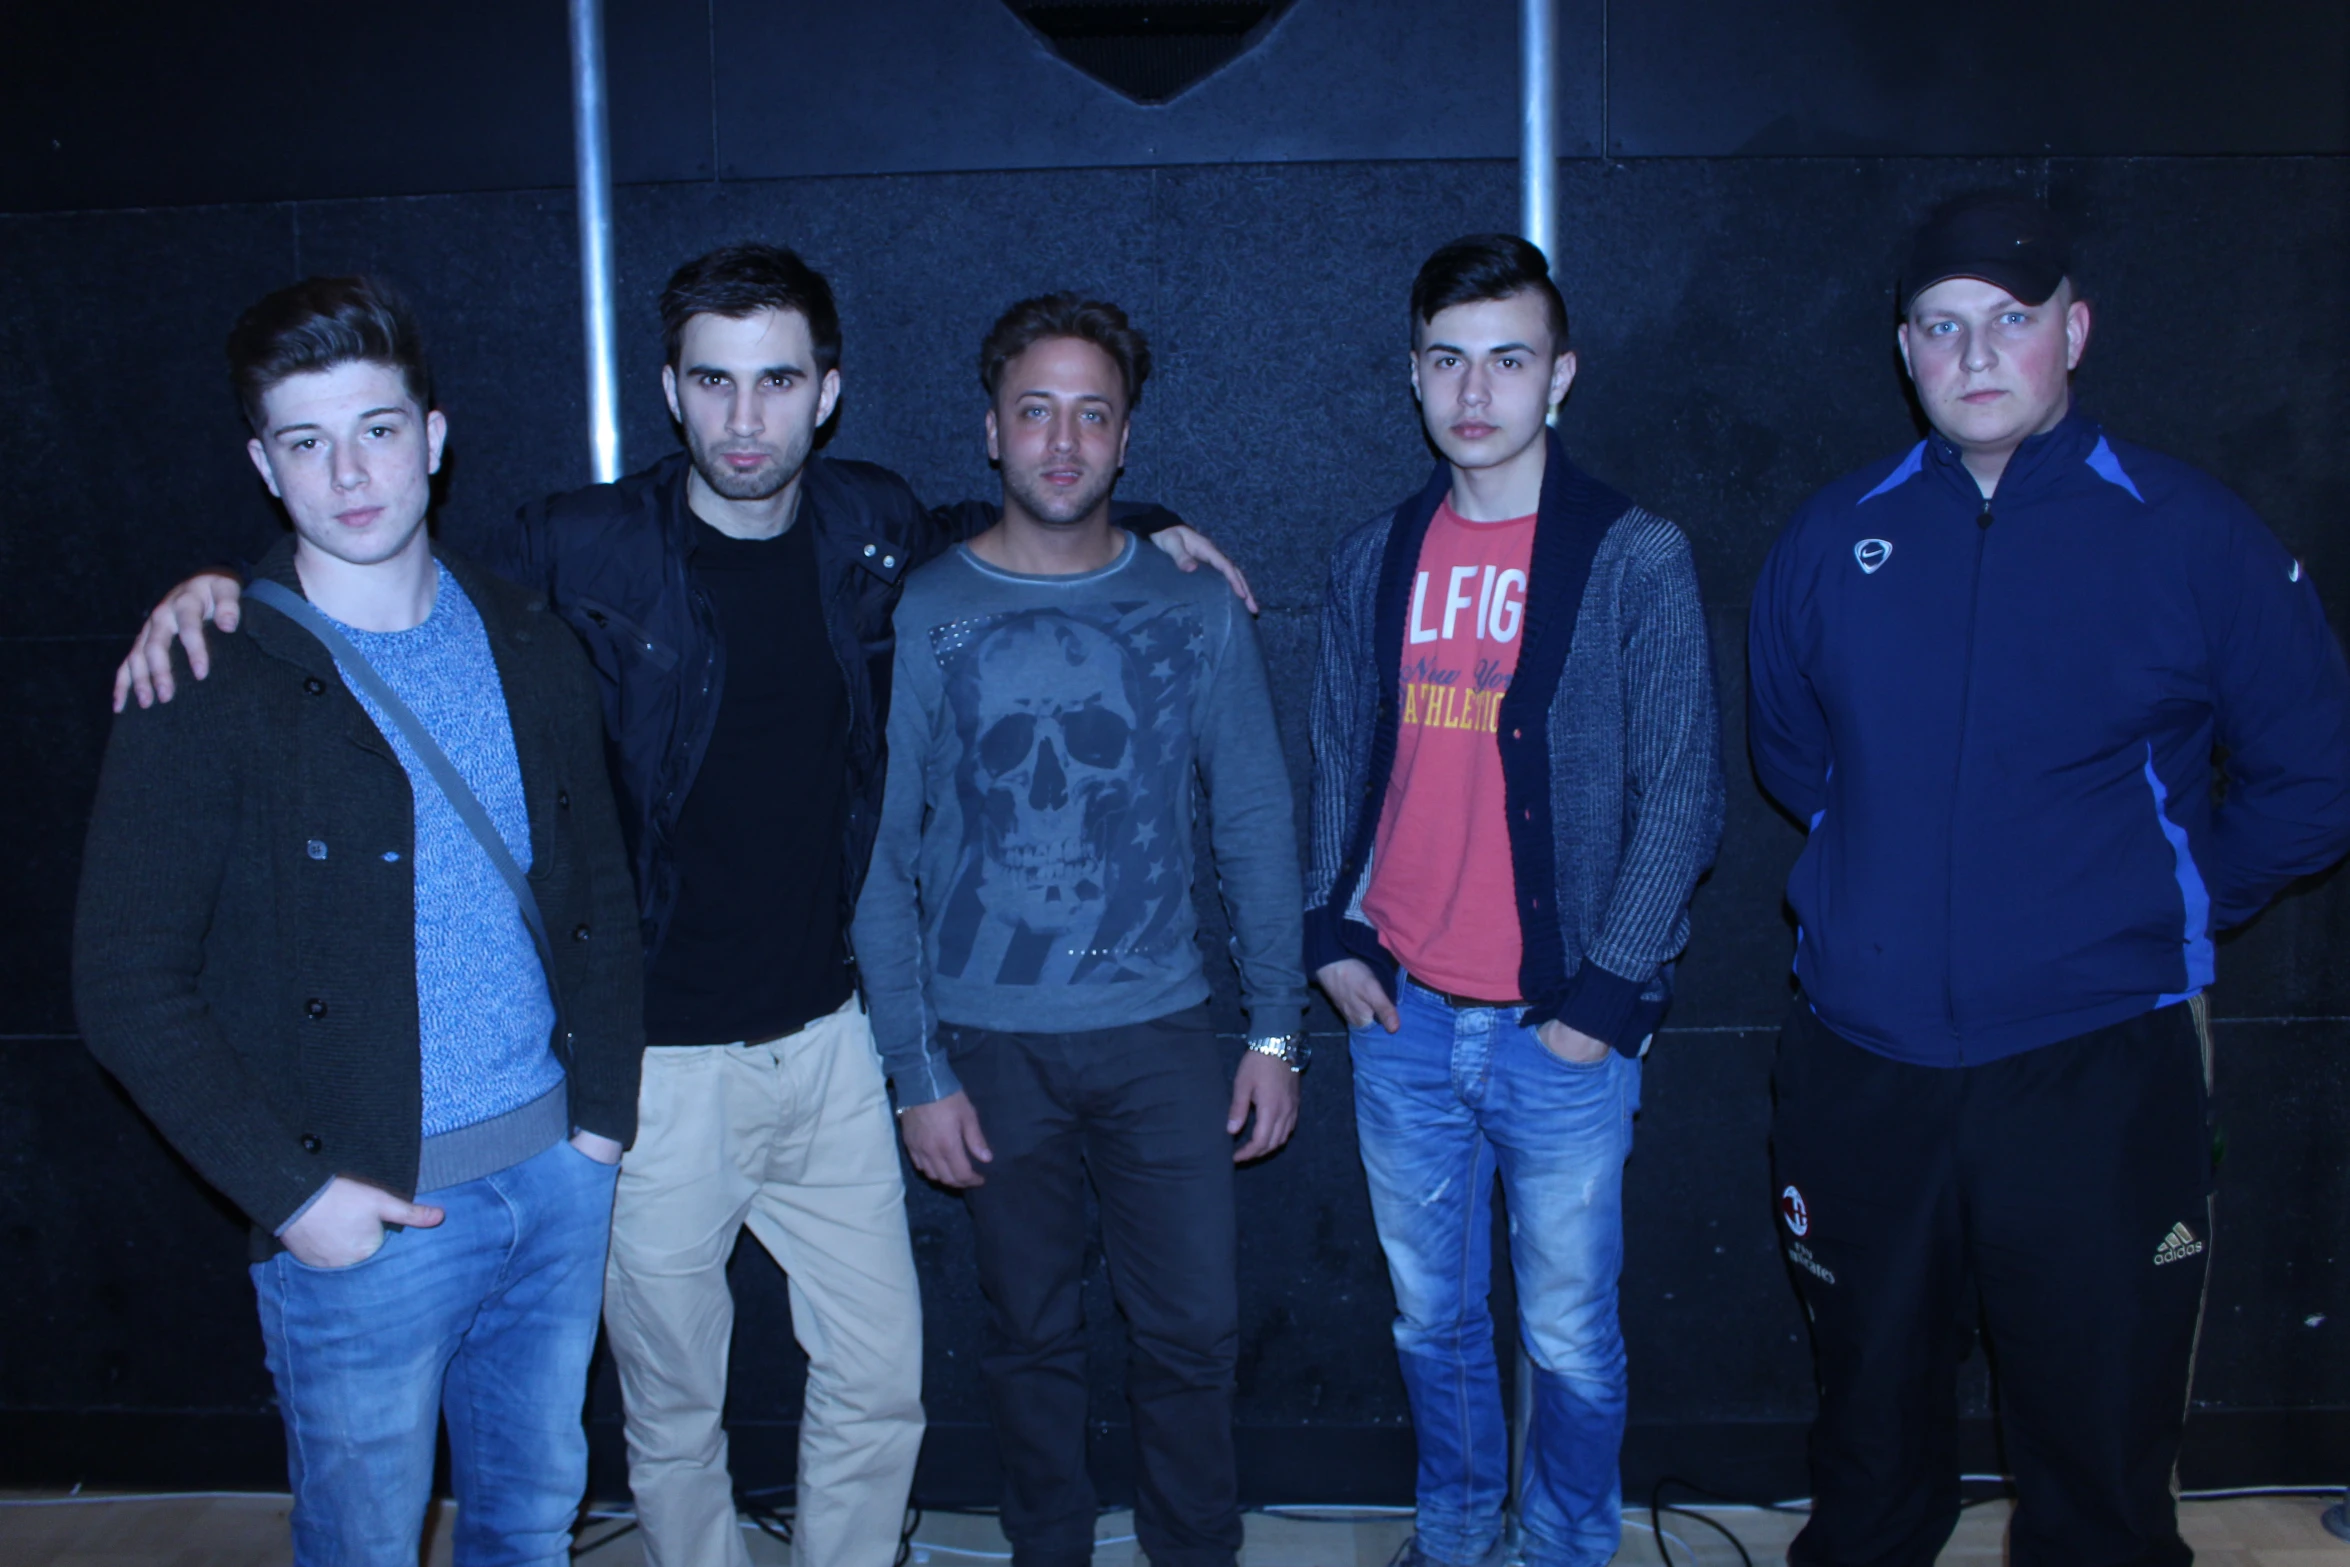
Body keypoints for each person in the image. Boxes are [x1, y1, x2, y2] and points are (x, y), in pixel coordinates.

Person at [107, 244, 1250, 1567]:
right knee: (672, 1410)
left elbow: (1018, 515)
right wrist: (226, 591)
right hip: (649, 1069)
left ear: (826, 393)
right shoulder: (576, 547)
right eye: (715, 381)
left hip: (827, 1042)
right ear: (670, 390)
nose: (745, 418)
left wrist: (1146, 515)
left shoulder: (868, 525)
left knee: (882, 1377)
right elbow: (379, 571)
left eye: (776, 382)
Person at [1748, 190, 2350, 1567]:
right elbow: (1797, 760)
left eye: (2008, 321)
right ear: (1903, 351)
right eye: (1941, 326)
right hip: (1862, 1062)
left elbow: (2310, 778)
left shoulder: (2191, 535)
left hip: (2095, 1064)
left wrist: (2155, 900)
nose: (1974, 354)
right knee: (1866, 1444)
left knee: (2096, 1453)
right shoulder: (1831, 540)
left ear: (2071, 330)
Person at [74, 276, 643, 1566]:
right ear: (262, 466)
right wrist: (293, 1195)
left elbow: (598, 890)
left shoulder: (528, 639)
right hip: (361, 1218)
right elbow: (122, 982)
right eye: (306, 441)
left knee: (530, 1525)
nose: (349, 474)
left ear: (434, 438)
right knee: (364, 1549)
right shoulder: (208, 674)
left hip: (555, 1183)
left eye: (378, 430)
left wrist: (599, 1122)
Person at [854, 292, 1307, 1567]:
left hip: (1162, 1034)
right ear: (989, 431)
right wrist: (917, 1067)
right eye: (1034, 410)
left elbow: (1256, 822)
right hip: (987, 1043)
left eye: (1091, 413)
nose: (1062, 441)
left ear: (1126, 436)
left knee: (1193, 1338)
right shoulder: (925, 615)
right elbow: (879, 856)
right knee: (1029, 1338)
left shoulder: (1190, 610)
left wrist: (1276, 1030)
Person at [1304, 233, 1723, 1567]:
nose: (1473, 389)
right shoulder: (1375, 557)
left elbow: (1684, 793)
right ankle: (1451, 1532)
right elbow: (1334, 758)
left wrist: (1603, 997)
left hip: (1559, 1029)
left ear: (1560, 376)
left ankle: (1563, 1547)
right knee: (1430, 1321)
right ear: (1413, 376)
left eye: (1506, 358)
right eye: (1446, 358)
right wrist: (1331, 926)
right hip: (1406, 1019)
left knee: (1562, 1330)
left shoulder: (1628, 557)